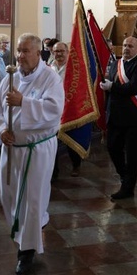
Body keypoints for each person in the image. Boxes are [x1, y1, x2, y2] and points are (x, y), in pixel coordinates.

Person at [0, 33, 64, 275]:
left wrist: (24, 102)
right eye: (18, 51)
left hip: (36, 150)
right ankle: (25, 231)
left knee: (31, 200)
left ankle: (26, 252)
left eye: (25, 51)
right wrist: (1, 130)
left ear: (38, 53)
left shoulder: (49, 77)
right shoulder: (11, 77)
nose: (19, 56)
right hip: (11, 148)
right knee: (8, 196)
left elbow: (54, 110)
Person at [100, 36, 137, 200]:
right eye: (125, 45)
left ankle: (128, 188)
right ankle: (124, 176)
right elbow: (113, 85)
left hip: (132, 116)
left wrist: (112, 86)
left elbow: (133, 87)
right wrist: (106, 85)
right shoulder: (116, 63)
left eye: (131, 46)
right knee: (112, 148)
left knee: (132, 153)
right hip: (114, 114)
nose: (127, 48)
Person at [51, 41, 81, 177]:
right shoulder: (49, 68)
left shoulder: (74, 69)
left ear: (67, 52)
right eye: (56, 51)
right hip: (52, 109)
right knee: (52, 141)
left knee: (71, 140)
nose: (59, 54)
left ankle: (76, 166)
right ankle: (53, 171)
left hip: (69, 109)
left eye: (61, 51)